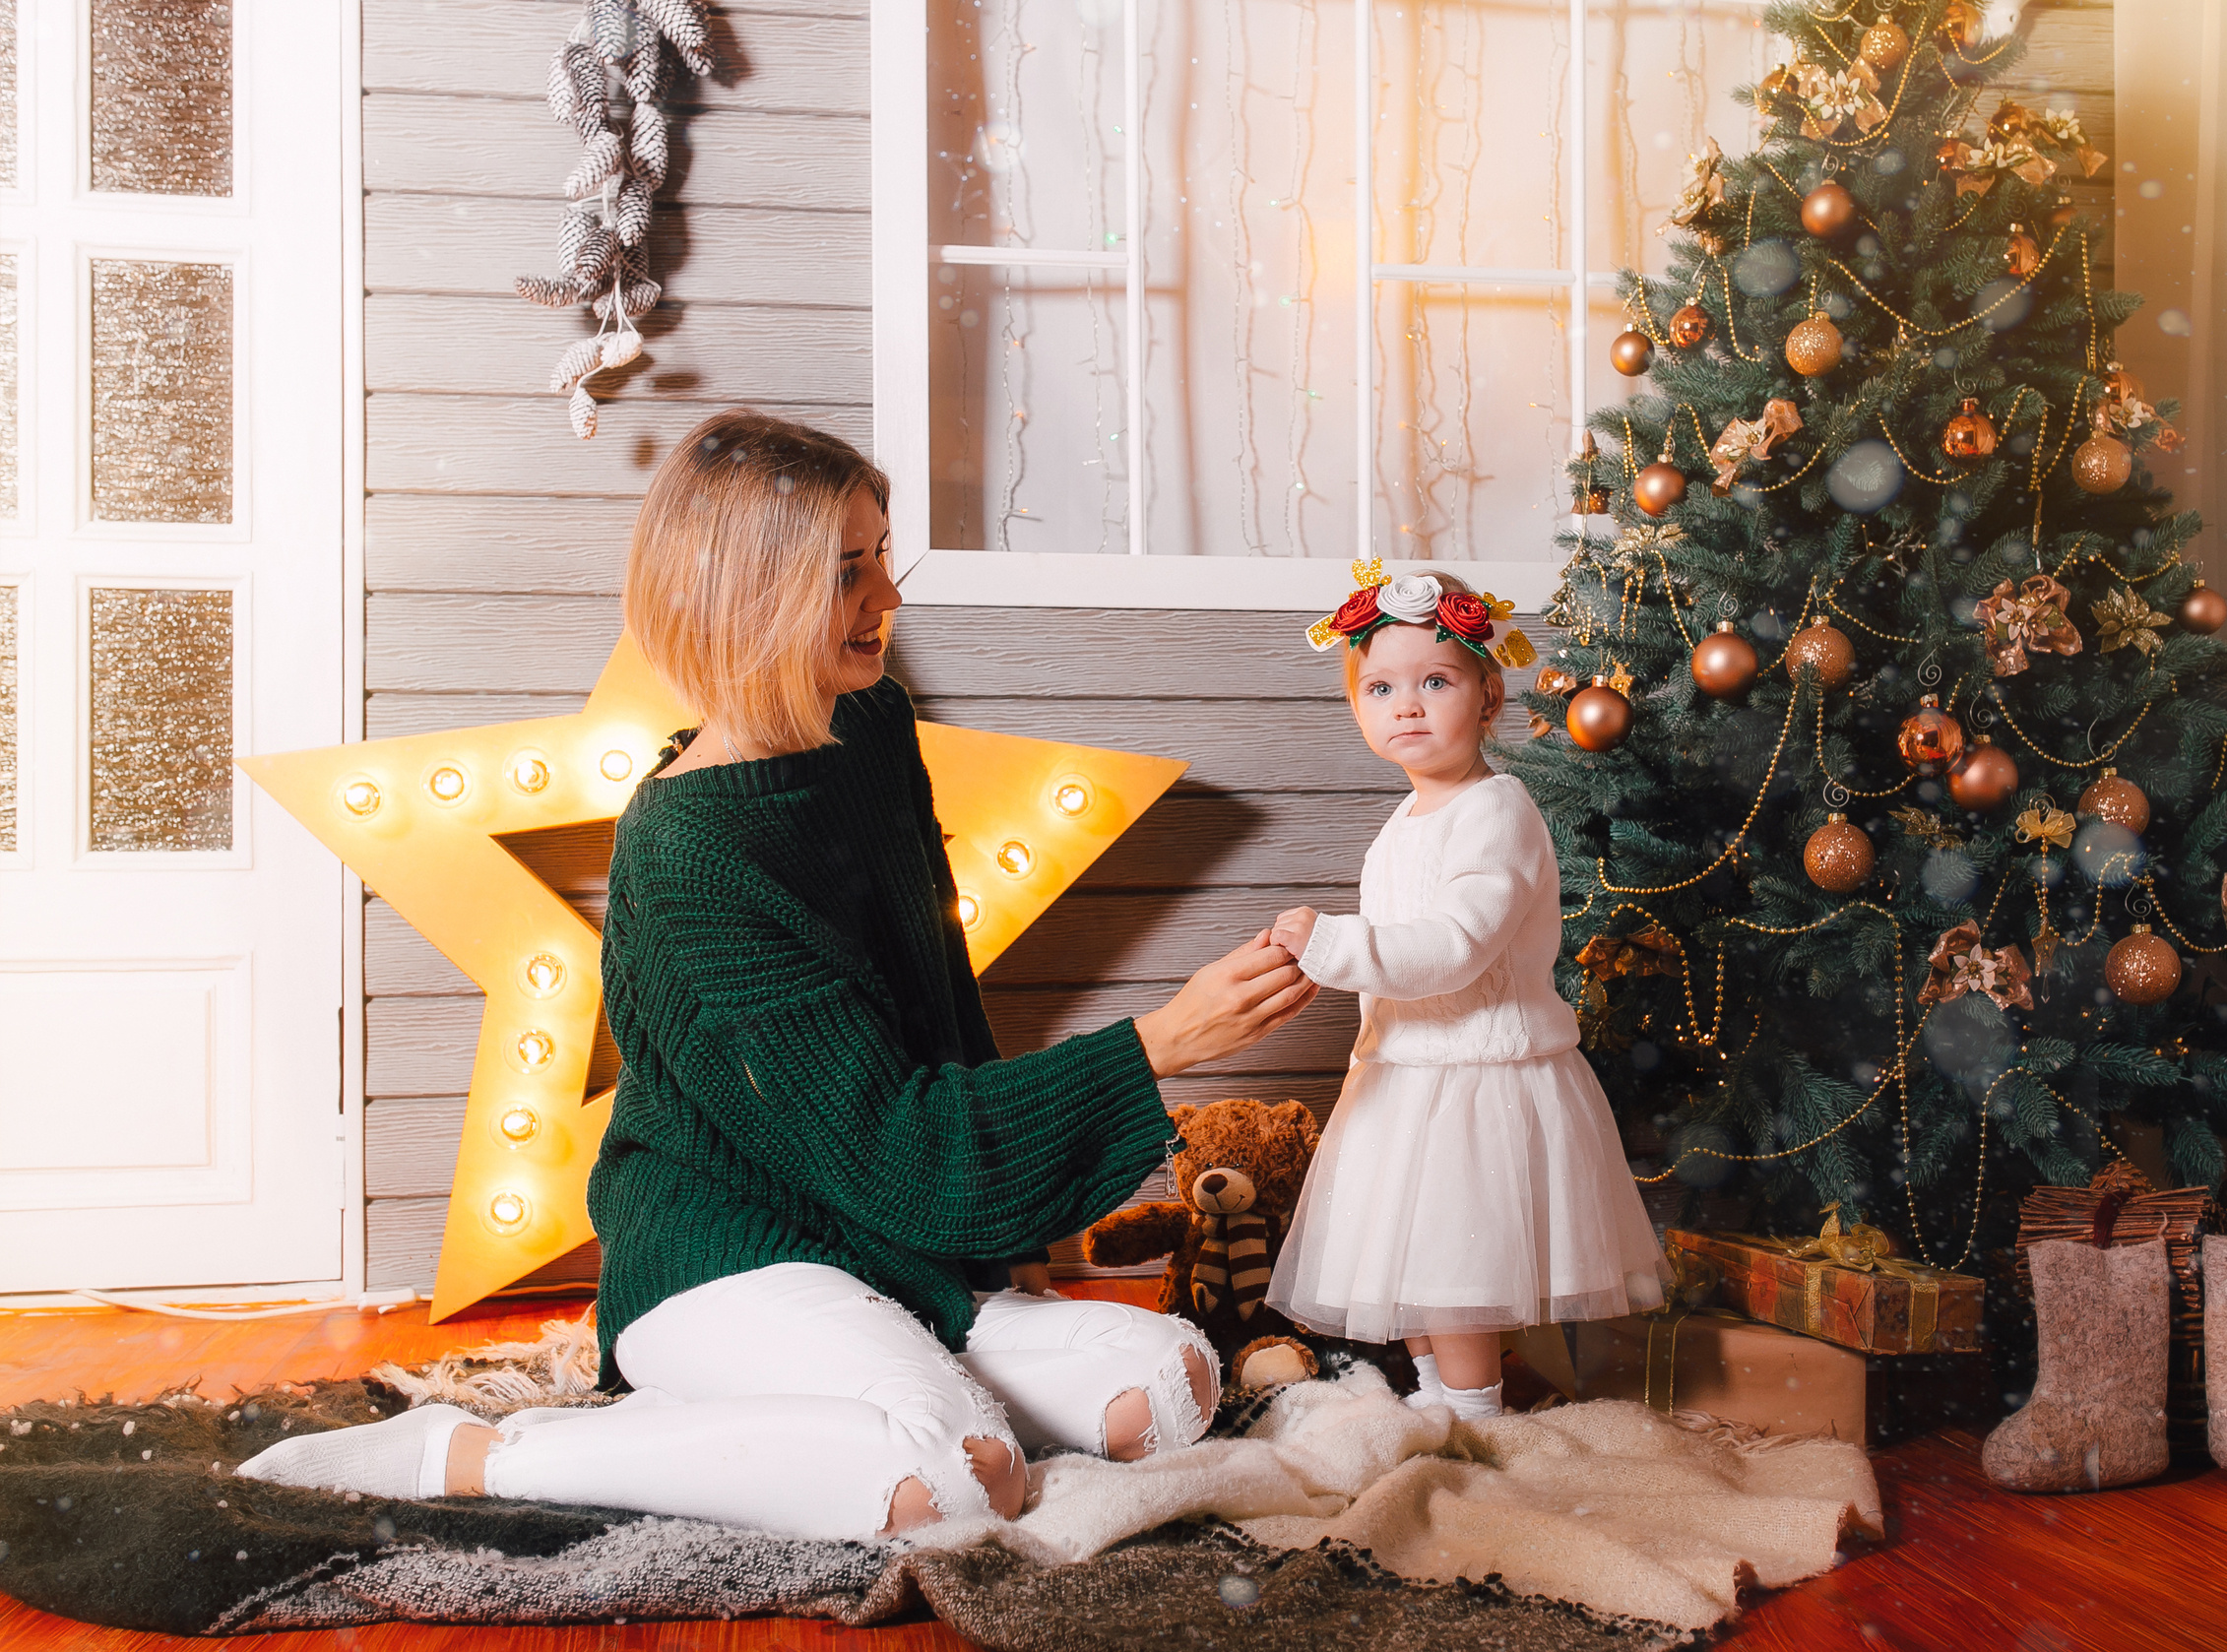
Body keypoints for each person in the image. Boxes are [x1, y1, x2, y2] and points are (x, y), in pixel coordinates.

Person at [241, 411, 1316, 1540]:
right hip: (725, 1251)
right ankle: (484, 1454)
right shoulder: (693, 848)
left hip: (879, 1229)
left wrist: (996, 1260)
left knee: (1169, 1383)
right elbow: (893, 1141)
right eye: (849, 570)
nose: (887, 597)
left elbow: (935, 1013)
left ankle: (854, 1387)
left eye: (881, 556)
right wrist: (1165, 1044)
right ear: (751, 591)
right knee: (957, 1476)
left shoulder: (872, 727)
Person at [1263, 567, 1669, 1420]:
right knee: (1404, 1255)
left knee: (1454, 1255)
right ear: (1358, 707)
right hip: (1406, 1069)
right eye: (1380, 687)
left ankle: (1477, 1405)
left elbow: (1451, 947)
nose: (1405, 705)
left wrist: (1334, 943)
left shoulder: (1498, 810)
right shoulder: (1403, 820)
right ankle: (1435, 1397)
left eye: (1434, 682)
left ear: (1488, 698)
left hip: (1480, 1073)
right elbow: (1398, 957)